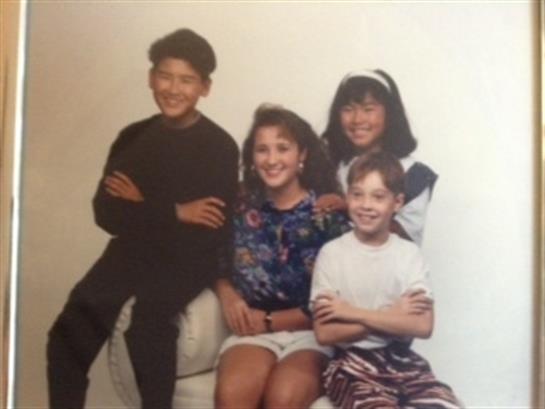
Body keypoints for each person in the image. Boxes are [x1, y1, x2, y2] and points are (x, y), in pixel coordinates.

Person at [46, 28, 239, 409]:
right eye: (165, 76)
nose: (173, 89)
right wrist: (176, 211)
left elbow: (207, 230)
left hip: (189, 258)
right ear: (151, 78)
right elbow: (106, 213)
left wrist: (142, 205)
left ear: (205, 87)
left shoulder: (219, 146)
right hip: (130, 252)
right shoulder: (132, 137)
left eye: (186, 80)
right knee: (67, 334)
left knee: (148, 324)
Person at [214, 105, 350, 409]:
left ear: (302, 154)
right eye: (262, 150)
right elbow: (215, 261)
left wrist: (269, 321)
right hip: (252, 333)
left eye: (282, 148)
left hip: (312, 335)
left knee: (283, 398)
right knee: (231, 394)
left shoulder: (327, 214)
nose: (272, 159)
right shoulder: (240, 206)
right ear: (252, 158)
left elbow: (337, 301)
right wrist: (227, 293)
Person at [310, 151, 461, 409]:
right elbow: (325, 333)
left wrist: (350, 312)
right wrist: (392, 316)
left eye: (378, 197)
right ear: (348, 197)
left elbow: (423, 325)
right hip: (351, 365)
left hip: (404, 362)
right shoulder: (332, 254)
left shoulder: (409, 254)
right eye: (357, 194)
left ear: (397, 202)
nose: (366, 205)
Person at [317, 69, 438, 245]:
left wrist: (348, 207)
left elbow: (407, 241)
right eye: (348, 109)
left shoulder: (413, 174)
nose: (357, 119)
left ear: (390, 114)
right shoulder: (330, 165)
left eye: (368, 109)